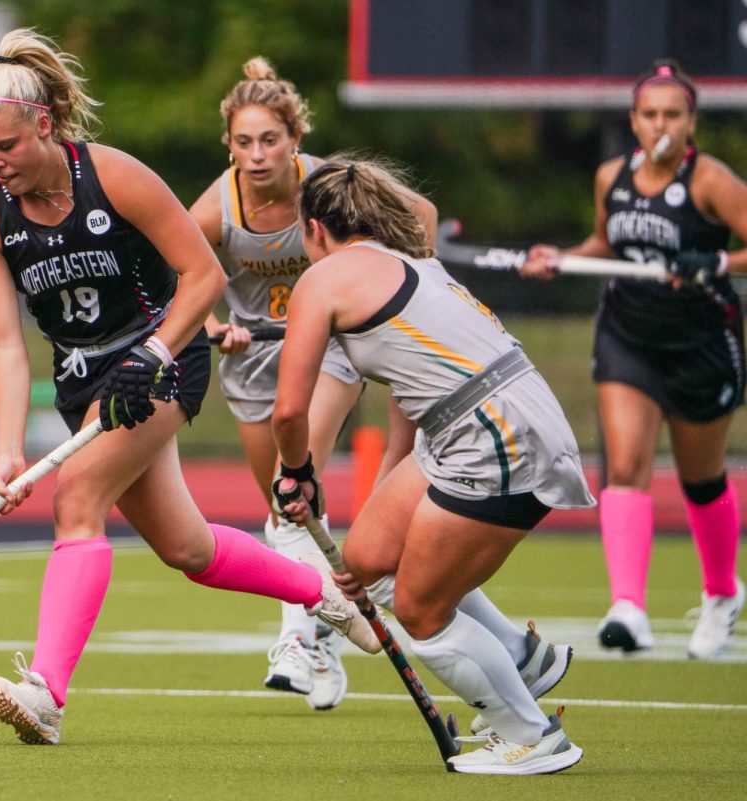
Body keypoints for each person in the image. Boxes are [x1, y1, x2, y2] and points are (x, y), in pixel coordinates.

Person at [0, 29, 380, 747]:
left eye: (8, 147)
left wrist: (151, 352)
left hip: (163, 356)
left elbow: (204, 277)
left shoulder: (115, 177)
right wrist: (5, 450)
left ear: (45, 126)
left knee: (77, 498)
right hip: (81, 377)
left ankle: (47, 694)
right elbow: (5, 343)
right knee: (187, 549)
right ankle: (323, 594)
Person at [272, 155, 593, 774]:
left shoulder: (324, 280)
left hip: (494, 434)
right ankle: (521, 657)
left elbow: (289, 413)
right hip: (481, 418)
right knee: (364, 563)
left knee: (419, 609)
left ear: (314, 229)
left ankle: (530, 736)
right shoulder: (413, 261)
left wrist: (297, 473)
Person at [188, 57, 425, 710]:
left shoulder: (327, 186)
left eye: (270, 140)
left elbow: (421, 216)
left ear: (296, 139)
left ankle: (296, 636)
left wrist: (399, 287)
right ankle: (324, 631)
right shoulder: (219, 204)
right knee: (286, 505)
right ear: (229, 145)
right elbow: (170, 266)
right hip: (254, 359)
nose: (257, 155)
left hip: (328, 349)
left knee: (297, 478)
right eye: (243, 142)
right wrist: (211, 323)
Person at [522, 59, 747, 660]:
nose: (660, 125)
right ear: (634, 121)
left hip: (701, 341)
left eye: (672, 114)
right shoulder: (610, 176)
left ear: (691, 122)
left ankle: (723, 594)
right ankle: (628, 607)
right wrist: (562, 258)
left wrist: (717, 263)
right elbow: (606, 242)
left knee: (701, 481)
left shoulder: (712, 182)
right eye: (649, 114)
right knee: (624, 465)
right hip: (628, 334)